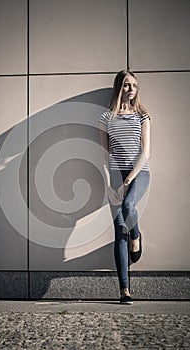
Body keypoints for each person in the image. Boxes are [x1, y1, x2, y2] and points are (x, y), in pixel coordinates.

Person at [99, 70, 151, 304]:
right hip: (115, 175)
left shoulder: (142, 115)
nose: (131, 90)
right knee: (119, 229)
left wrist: (129, 179)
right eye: (127, 85)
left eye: (134, 86)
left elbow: (146, 152)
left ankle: (137, 236)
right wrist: (109, 186)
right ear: (118, 87)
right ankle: (124, 290)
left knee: (129, 205)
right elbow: (103, 153)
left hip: (139, 173)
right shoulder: (106, 117)